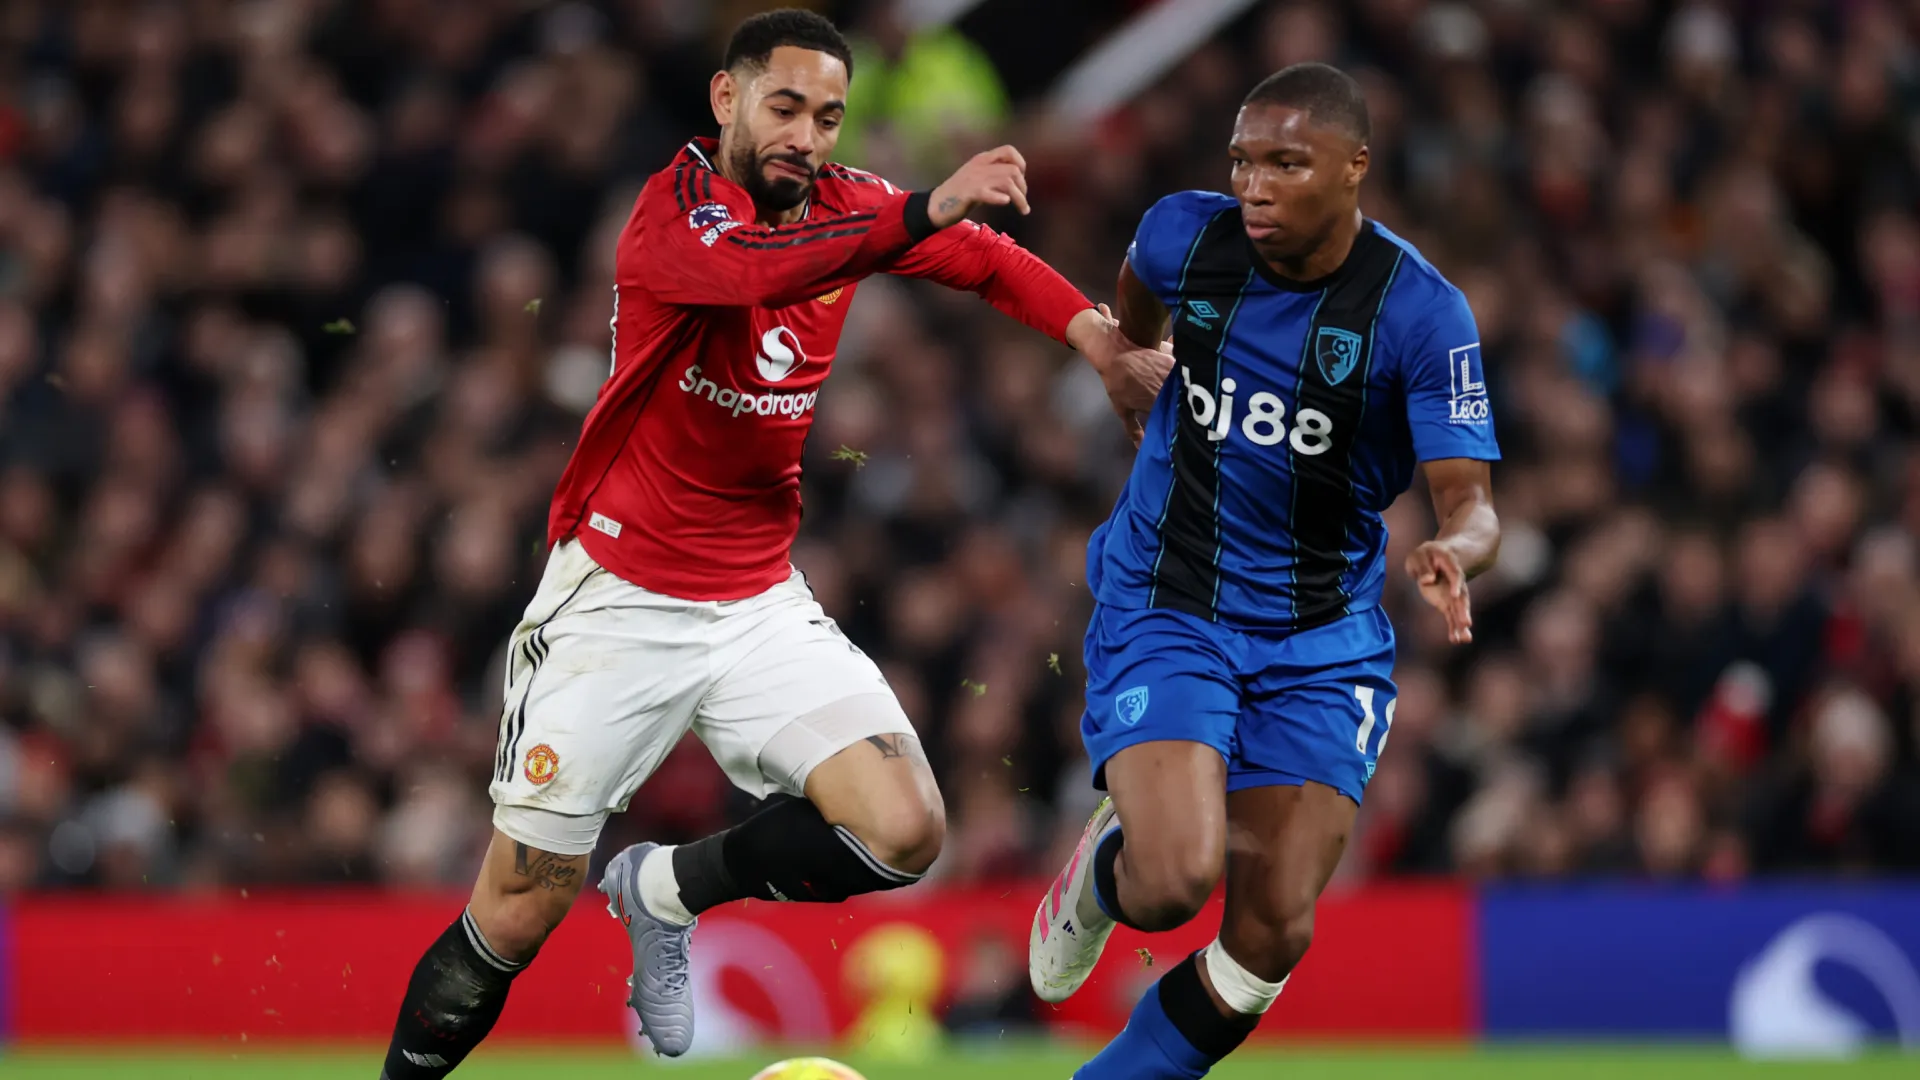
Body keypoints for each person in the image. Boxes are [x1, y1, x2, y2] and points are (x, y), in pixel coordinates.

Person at [377, 10, 1170, 1079]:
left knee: (905, 829)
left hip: (755, 601)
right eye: (786, 107)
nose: (808, 134)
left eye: (831, 117)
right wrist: (925, 205)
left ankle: (664, 889)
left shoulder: (845, 206)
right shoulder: (672, 215)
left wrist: (1094, 339)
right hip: (620, 596)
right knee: (516, 913)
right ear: (727, 99)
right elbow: (759, 273)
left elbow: (978, 259)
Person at [1027, 63, 1502, 1080]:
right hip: (1173, 595)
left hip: (1322, 637)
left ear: (1354, 168)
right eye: (1244, 162)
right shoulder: (1185, 235)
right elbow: (1137, 302)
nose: (1256, 186)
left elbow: (1472, 501)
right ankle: (1099, 880)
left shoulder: (1421, 313)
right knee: (1170, 882)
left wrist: (1454, 552)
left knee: (1273, 934)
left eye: (1288, 163)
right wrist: (1125, 363)